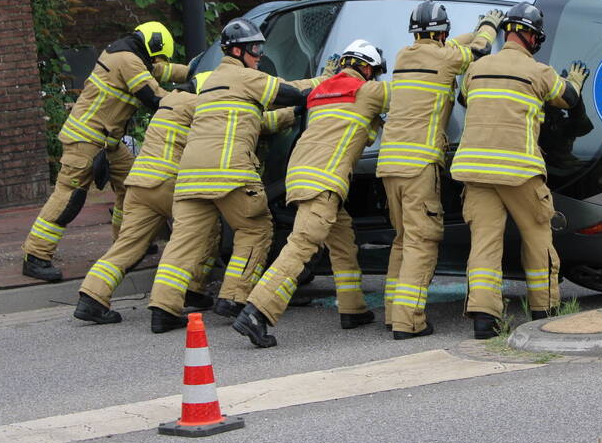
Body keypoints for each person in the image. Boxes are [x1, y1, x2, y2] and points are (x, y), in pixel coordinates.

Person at [72, 71, 310, 324]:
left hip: (139, 183)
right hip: (169, 182)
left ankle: (92, 296)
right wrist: (292, 111)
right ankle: (194, 288)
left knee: (129, 244)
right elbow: (257, 122)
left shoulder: (169, 101)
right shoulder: (201, 104)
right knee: (203, 231)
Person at [146, 18, 322, 333]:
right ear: (238, 51)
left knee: (183, 242)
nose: (259, 55)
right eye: (255, 49)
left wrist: (289, 116)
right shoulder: (245, 76)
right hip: (230, 173)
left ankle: (163, 308)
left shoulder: (211, 83)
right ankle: (234, 297)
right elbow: (290, 91)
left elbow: (256, 121)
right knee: (255, 229)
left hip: (191, 176)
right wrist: (326, 81)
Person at [233, 39, 390, 348]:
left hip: (300, 177)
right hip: (325, 182)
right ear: (367, 69)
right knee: (301, 247)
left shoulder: (320, 93)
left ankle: (353, 309)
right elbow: (411, 93)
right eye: (374, 73)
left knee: (342, 240)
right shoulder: (367, 92)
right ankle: (256, 311)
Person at [451, 2, 589, 339]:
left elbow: (465, 99)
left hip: (474, 169)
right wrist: (574, 81)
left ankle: (484, 319)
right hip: (519, 170)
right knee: (538, 236)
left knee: (484, 243)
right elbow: (568, 98)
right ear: (533, 37)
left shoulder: (476, 69)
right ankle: (544, 311)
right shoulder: (539, 72)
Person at [22, 21, 187, 282]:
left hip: (108, 142)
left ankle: (127, 243)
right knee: (68, 198)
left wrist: (199, 70)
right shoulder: (128, 60)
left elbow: (161, 70)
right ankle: (35, 255)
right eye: (158, 56)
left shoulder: (129, 53)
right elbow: (155, 98)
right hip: (86, 140)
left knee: (133, 186)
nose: (158, 62)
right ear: (153, 46)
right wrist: (192, 99)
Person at [377, 2, 503, 340]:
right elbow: (479, 50)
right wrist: (488, 26)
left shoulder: (404, 55)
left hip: (388, 165)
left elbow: (447, 46)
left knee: (403, 239)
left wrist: (470, 32)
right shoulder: (447, 59)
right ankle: (408, 321)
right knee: (422, 241)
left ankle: (393, 313)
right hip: (418, 164)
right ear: (442, 33)